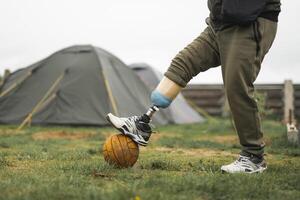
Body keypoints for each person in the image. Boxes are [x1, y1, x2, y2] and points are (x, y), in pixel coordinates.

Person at [106, 0, 281, 173]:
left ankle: (253, 157)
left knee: (236, 86)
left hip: (249, 20)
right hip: (219, 23)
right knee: (182, 63)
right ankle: (142, 124)